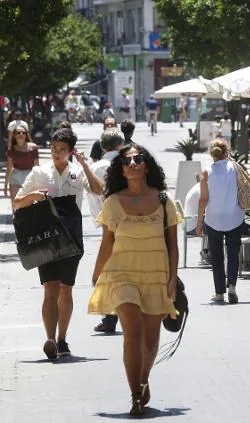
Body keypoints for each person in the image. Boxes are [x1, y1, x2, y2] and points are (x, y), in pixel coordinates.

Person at [88, 143, 179, 416]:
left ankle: (143, 377)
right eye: (127, 161)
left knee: (151, 340)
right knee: (132, 332)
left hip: (156, 274)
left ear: (146, 166)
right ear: (122, 170)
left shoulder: (164, 200)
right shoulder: (113, 203)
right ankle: (136, 395)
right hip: (122, 273)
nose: (132, 164)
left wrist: (173, 278)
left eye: (138, 159)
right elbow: (107, 243)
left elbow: (173, 246)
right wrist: (97, 273)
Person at [14, 128, 104, 359]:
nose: (55, 152)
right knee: (50, 287)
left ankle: (62, 337)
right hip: (46, 238)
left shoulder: (78, 172)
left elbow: (98, 190)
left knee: (66, 288)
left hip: (72, 237)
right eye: (53, 147)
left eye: (61, 149)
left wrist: (85, 165)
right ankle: (50, 338)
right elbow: (17, 202)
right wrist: (35, 197)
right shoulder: (39, 172)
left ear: (70, 151)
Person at [196, 138, 245, 304]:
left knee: (216, 257)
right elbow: (249, 183)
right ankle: (231, 285)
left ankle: (219, 292)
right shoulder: (236, 168)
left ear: (212, 154)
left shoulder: (205, 172)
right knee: (233, 254)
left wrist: (199, 222)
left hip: (213, 218)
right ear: (227, 152)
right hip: (235, 217)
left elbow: (203, 199)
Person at [87, 128, 125, 334]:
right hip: (130, 223)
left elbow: (91, 195)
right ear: (121, 144)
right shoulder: (129, 163)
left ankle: (110, 317)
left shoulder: (95, 167)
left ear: (102, 147)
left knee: (109, 271)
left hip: (107, 225)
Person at [4, 124, 38, 208]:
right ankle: (16, 220)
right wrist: (5, 185)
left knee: (28, 205)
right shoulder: (11, 149)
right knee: (15, 204)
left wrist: (38, 182)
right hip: (15, 176)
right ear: (14, 135)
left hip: (29, 176)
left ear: (26, 135)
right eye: (18, 132)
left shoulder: (33, 147)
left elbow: (37, 166)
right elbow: (9, 168)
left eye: (23, 132)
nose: (21, 134)